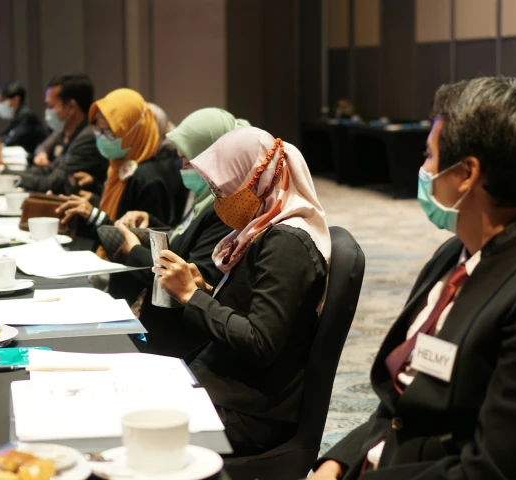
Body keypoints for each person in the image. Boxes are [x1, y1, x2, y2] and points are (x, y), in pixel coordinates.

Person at [310, 77, 516, 479]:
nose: (423, 169)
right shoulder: (454, 254)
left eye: (430, 156)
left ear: (467, 174)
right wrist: (337, 461)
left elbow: (494, 470)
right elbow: (405, 397)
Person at [151, 126, 331, 456]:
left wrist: (192, 297)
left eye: (223, 189)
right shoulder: (265, 228)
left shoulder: (286, 243)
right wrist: (204, 287)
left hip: (252, 412)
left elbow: (259, 341)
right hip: (233, 386)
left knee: (129, 423)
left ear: (257, 180)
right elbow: (254, 309)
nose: (220, 199)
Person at [108, 108, 250, 357]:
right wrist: (151, 222)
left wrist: (134, 251)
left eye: (189, 161)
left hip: (182, 343)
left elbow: (193, 279)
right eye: (181, 160)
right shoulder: (205, 198)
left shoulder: (226, 209)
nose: (183, 168)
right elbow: (185, 239)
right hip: (166, 328)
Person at [55, 88, 187, 256]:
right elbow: (116, 217)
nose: (102, 138)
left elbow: (143, 246)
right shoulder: (118, 166)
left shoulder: (149, 177)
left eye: (109, 132)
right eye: (98, 130)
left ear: (135, 131)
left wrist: (93, 214)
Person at [0, 73, 108, 196]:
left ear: (71, 107)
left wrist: (0, 172)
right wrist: (4, 169)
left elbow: (51, 183)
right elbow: (48, 170)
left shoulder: (87, 138)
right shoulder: (68, 132)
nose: (47, 112)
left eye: (51, 106)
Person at [0, 81, 47, 160]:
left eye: (2, 100)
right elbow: (3, 135)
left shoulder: (26, 116)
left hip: (34, 161)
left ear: (15, 100)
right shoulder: (16, 117)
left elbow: (12, 140)